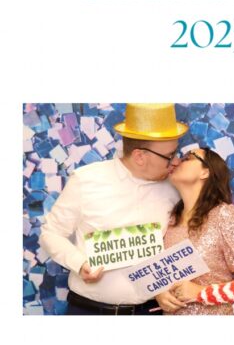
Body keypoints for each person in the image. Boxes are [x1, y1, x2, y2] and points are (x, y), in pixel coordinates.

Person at [39, 103, 187, 315]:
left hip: (150, 313)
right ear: (140, 156)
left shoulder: (175, 188)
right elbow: (51, 233)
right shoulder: (86, 180)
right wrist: (79, 264)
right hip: (88, 312)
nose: (176, 161)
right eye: (170, 155)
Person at [158, 147, 234, 315]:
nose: (177, 161)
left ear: (205, 172)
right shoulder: (170, 220)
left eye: (188, 158)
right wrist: (160, 294)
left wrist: (200, 292)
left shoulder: (224, 215)